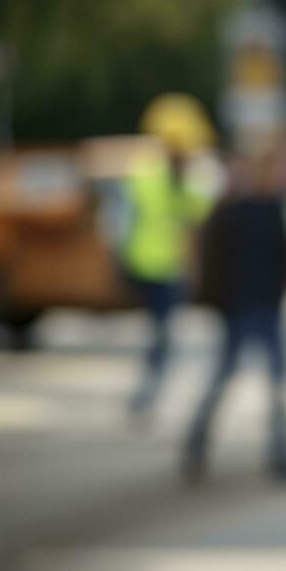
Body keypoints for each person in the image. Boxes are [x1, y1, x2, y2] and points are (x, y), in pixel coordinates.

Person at [183, 144, 286, 482]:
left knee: (276, 384)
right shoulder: (229, 211)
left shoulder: (273, 208)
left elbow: (284, 256)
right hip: (239, 309)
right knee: (224, 379)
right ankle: (196, 444)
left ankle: (281, 454)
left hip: (268, 308)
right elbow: (212, 262)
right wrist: (215, 302)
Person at [123, 93, 217, 417]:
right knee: (161, 334)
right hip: (152, 265)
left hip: (166, 266)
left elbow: (198, 218)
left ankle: (147, 391)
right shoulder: (151, 174)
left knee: (161, 333)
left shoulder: (159, 173)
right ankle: (146, 392)